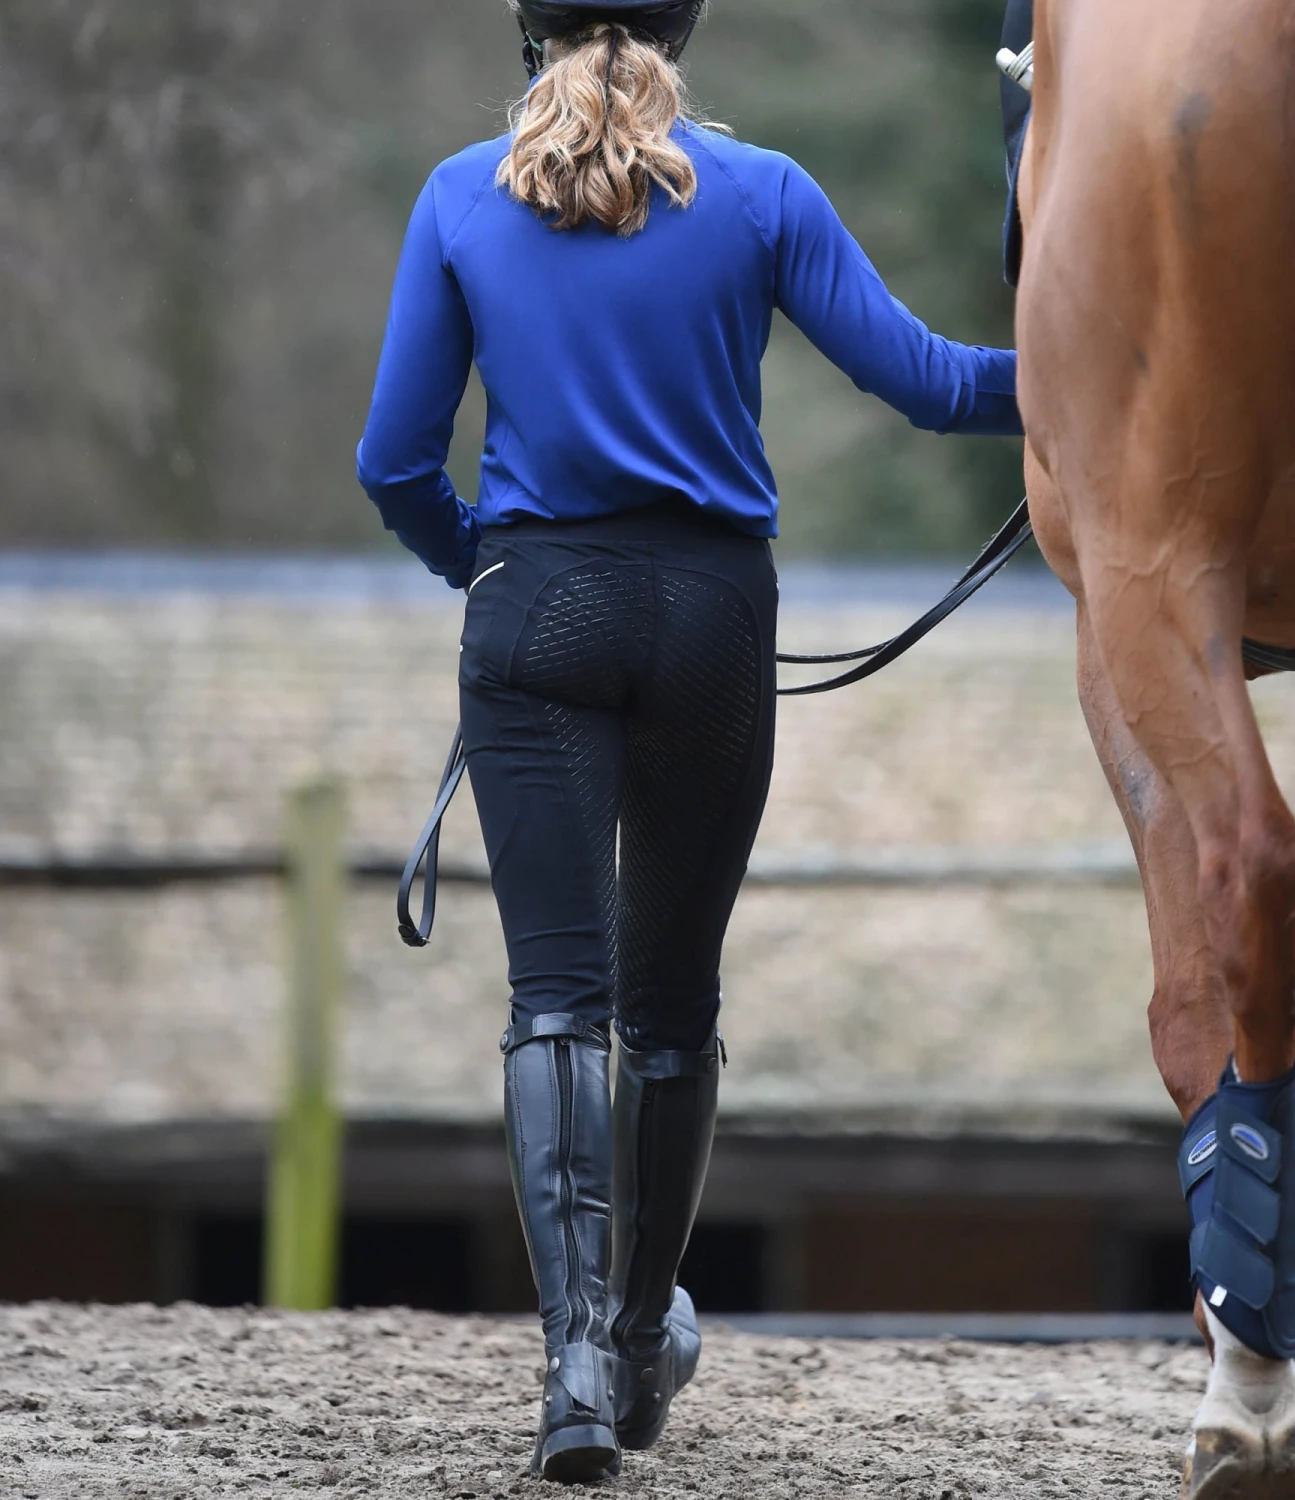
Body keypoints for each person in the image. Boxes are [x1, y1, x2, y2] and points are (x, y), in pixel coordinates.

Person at [356, 0, 1023, 1482]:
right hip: (714, 617)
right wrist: (1094, 385)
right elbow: (922, 382)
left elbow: (391, 456)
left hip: (538, 609)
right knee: (667, 1005)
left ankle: (577, 1371)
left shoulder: (463, 194)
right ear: (686, 26)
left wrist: (484, 561)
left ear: (529, 32)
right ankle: (647, 1330)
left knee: (554, 1000)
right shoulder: (767, 194)